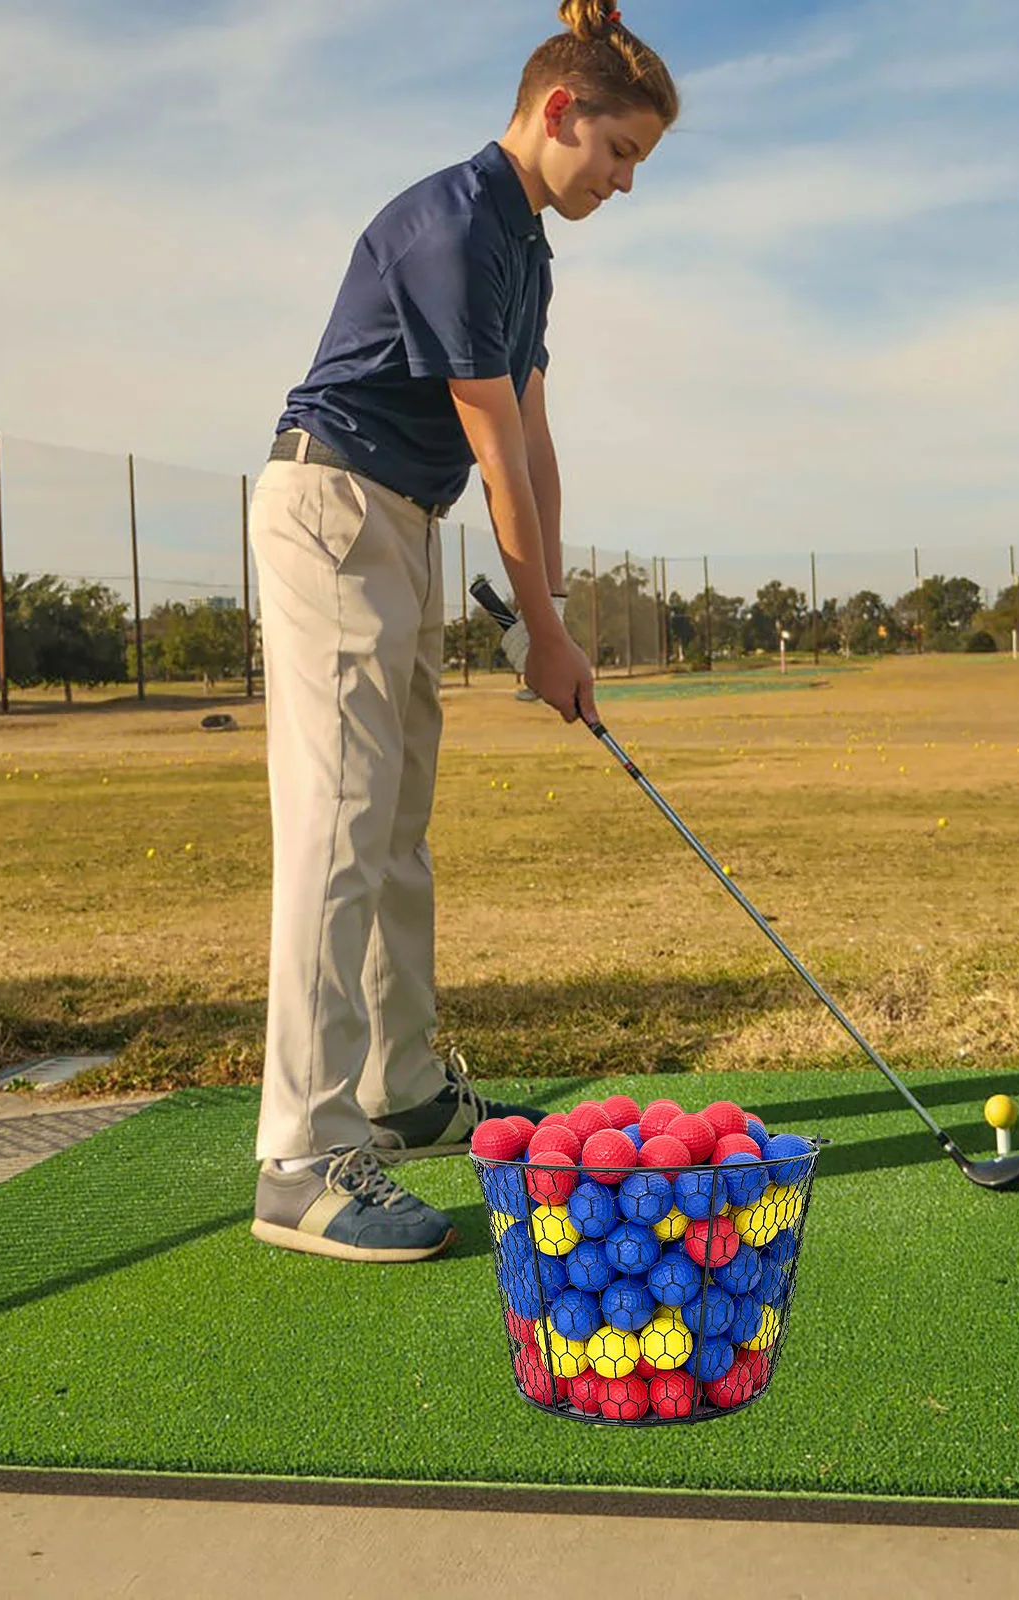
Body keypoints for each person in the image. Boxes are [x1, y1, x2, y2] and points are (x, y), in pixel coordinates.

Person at [248, 2, 679, 1263]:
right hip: (333, 507)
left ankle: (400, 1083)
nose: (624, 181)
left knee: (394, 819)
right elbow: (493, 449)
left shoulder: (523, 250)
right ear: (559, 110)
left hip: (400, 520)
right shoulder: (449, 222)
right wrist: (538, 634)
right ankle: (298, 1153)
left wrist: (560, 622)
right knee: (337, 820)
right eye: (619, 152)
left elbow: (535, 447)